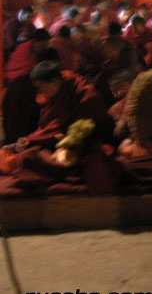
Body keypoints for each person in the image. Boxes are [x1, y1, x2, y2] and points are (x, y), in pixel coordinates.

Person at [0, 60, 118, 194]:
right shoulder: (55, 95)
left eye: (41, 87)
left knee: (95, 160)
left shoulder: (83, 93)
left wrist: (71, 140)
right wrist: (33, 140)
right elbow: (50, 126)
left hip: (82, 147)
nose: (41, 92)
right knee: (25, 158)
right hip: (55, 146)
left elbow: (101, 126)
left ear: (55, 82)